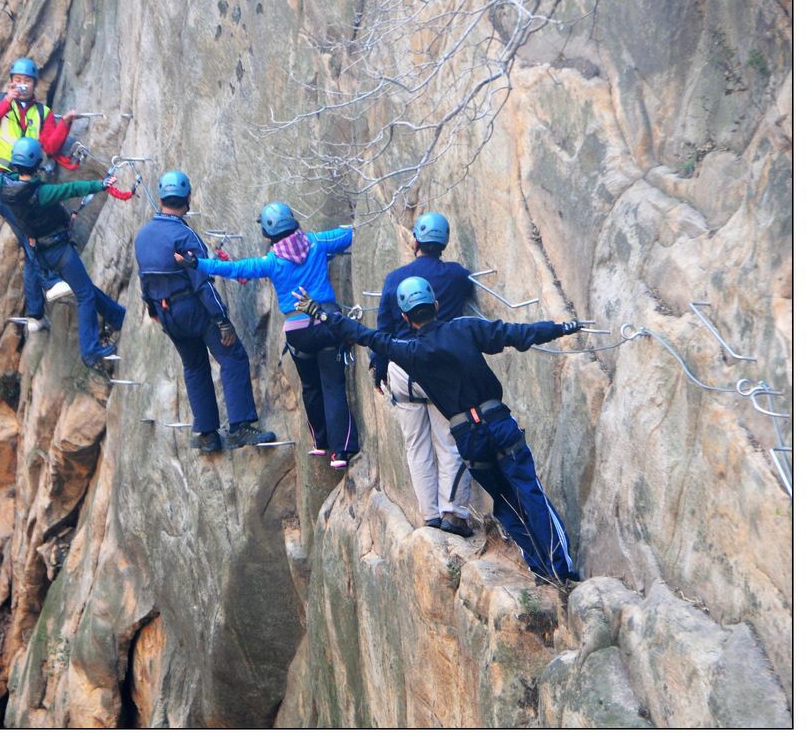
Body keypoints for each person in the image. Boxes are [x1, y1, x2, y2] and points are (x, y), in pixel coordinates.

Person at [292, 278, 583, 584]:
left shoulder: (410, 351)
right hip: (498, 423)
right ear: (436, 305)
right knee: (529, 490)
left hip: (470, 439)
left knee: (506, 501)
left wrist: (322, 314)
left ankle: (540, 569)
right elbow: (517, 334)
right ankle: (560, 569)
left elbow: (366, 336)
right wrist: (561, 328)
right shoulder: (465, 328)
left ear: (405, 318)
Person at [177, 202, 359, 469]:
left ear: (268, 233)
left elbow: (235, 269)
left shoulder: (272, 262)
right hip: (326, 324)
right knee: (332, 386)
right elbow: (349, 235)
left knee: (310, 388)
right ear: (294, 222)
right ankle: (340, 453)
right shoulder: (317, 243)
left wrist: (197, 263)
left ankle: (320, 443)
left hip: (298, 333)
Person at [0, 137, 125, 369]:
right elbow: (73, 188)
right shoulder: (42, 192)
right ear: (37, 164)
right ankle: (90, 351)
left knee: (82, 287)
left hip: (40, 252)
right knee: (85, 294)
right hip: (59, 249)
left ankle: (117, 316)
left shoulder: (4, 187)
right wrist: (102, 184)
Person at [134, 171, 276, 454]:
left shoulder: (143, 236)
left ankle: (207, 434)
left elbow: (145, 277)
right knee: (233, 357)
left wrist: (153, 308)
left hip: (166, 313)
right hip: (193, 309)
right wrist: (222, 320)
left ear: (162, 198)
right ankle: (239, 427)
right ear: (187, 199)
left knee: (194, 366)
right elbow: (202, 283)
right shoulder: (184, 235)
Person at [374, 212, 476, 535]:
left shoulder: (394, 279)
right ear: (443, 243)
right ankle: (453, 514)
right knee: (449, 441)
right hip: (439, 368)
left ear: (415, 241)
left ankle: (430, 515)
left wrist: (379, 369)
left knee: (416, 443)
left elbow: (383, 329)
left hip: (401, 367)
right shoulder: (457, 277)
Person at [0, 57, 78, 329]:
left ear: (34, 84)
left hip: (22, 184)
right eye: (17, 80)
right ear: (11, 81)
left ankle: (35, 315)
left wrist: (66, 125)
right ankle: (50, 284)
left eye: (26, 81)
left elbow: (49, 147)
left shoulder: (43, 113)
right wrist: (6, 101)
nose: (22, 85)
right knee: (31, 234)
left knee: (30, 238)